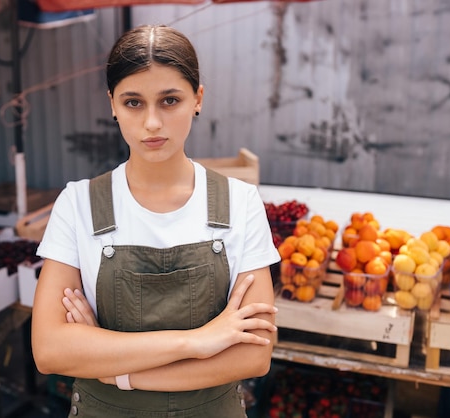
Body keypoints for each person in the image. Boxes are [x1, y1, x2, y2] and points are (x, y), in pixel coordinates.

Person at [31, 24, 281, 418]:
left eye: (169, 100)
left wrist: (119, 371)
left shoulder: (241, 203)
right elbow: (50, 350)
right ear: (111, 103)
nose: (151, 123)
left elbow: (253, 357)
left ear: (197, 99)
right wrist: (197, 342)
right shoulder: (77, 204)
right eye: (133, 102)